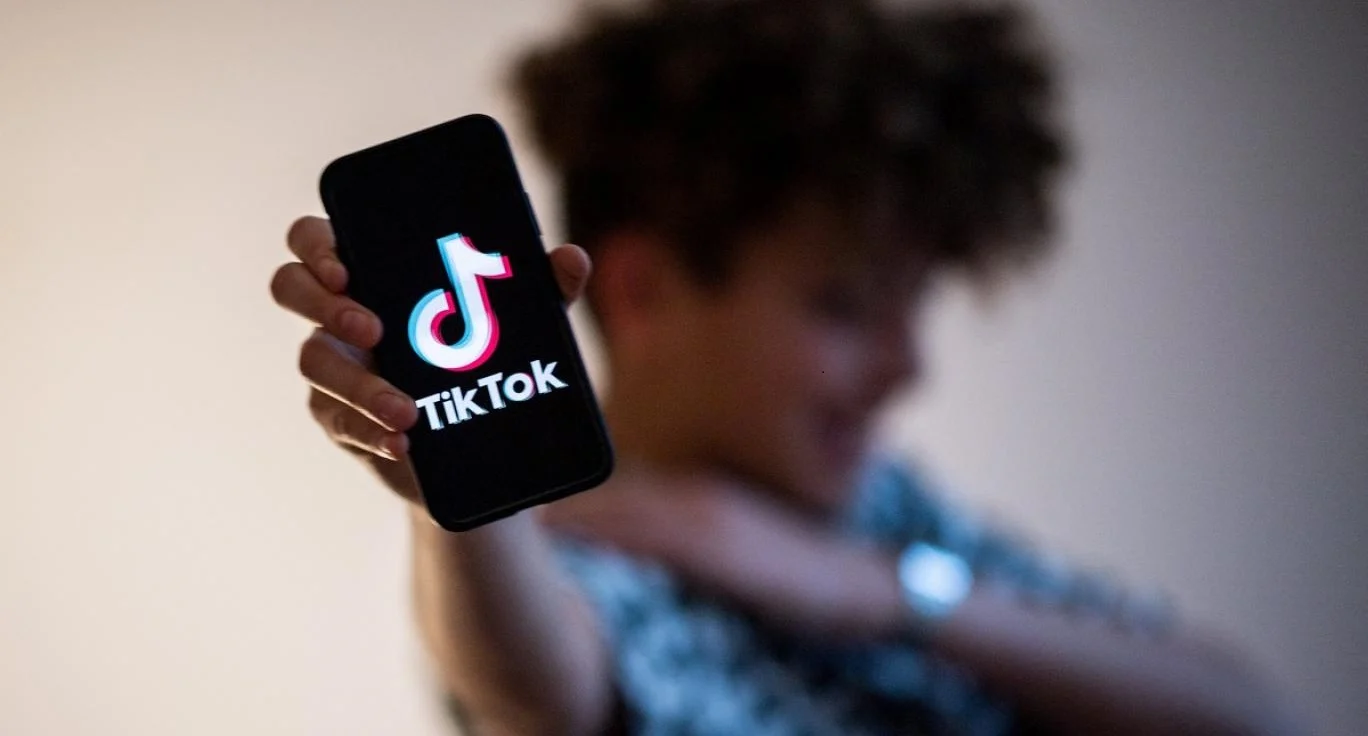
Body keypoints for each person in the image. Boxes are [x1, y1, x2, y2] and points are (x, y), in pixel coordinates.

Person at [270, 1, 1304, 733]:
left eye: (913, 309)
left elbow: (1252, 714)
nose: (906, 368)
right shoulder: (583, 562)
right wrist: (460, 495)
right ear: (643, 292)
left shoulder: (886, 514)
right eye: (844, 308)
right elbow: (533, 693)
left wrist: (873, 590)